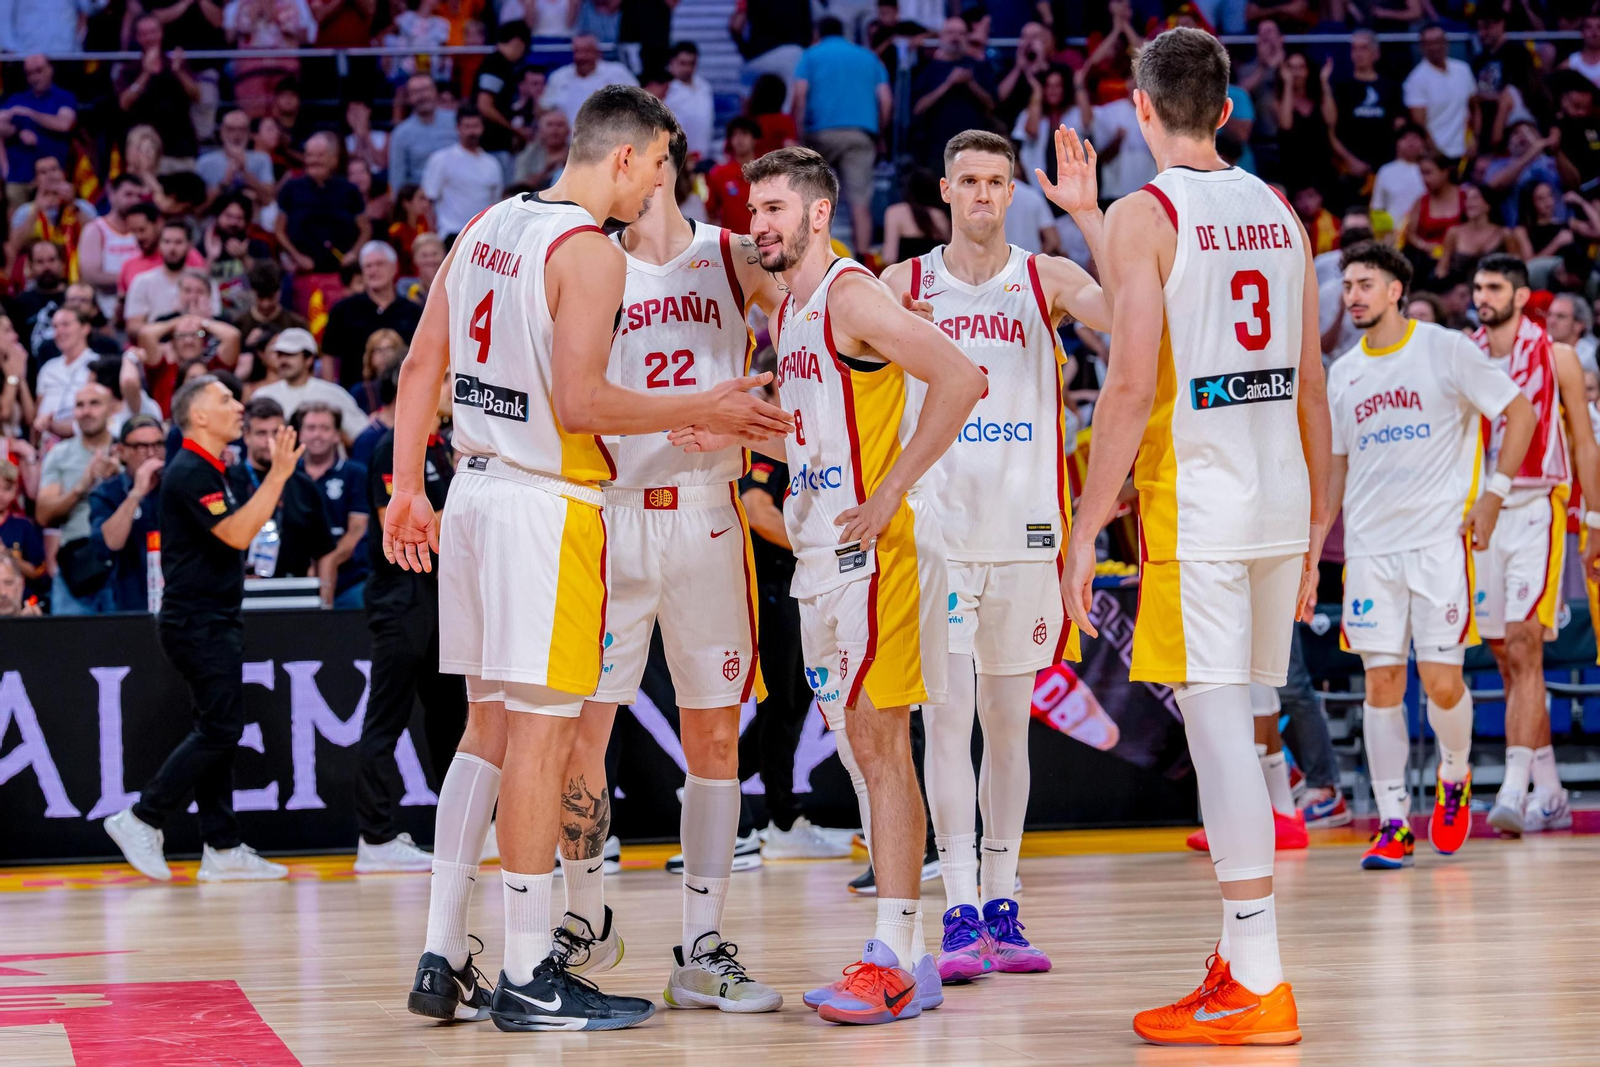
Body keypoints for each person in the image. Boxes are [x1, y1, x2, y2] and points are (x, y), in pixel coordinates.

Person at [385, 84, 789, 1032]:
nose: (655, 182)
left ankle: (443, 952)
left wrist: (407, 487)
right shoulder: (588, 253)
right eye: (652, 164)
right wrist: (707, 410)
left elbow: (417, 368)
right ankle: (531, 969)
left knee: (485, 731)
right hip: (544, 503)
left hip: (470, 490)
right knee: (538, 738)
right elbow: (581, 403)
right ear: (624, 158)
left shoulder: (484, 224)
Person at [1057, 28, 1328, 1046]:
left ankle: (1259, 974)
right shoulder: (1278, 212)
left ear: (1138, 109)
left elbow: (1127, 381)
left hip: (1198, 504)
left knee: (1217, 734)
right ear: (1225, 109)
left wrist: (1086, 527)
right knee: (1239, 722)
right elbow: (1307, 381)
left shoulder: (1146, 213)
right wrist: (1311, 530)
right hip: (1273, 499)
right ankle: (1237, 959)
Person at [674, 145, 984, 1025]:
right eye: (752, 207)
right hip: (819, 558)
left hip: (872, 557)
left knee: (883, 749)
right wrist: (737, 440)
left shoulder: (851, 292)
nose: (758, 223)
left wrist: (893, 489)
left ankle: (889, 953)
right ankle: (913, 957)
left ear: (818, 213)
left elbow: (962, 377)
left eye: (775, 208)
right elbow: (819, 443)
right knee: (863, 752)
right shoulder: (796, 309)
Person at [537, 128, 789, 1014]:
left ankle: (703, 942)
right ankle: (586, 920)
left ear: (662, 163)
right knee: (579, 737)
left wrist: (754, 413)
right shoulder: (588, 264)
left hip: (708, 521)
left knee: (714, 736)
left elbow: (816, 348)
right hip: (610, 520)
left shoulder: (733, 255)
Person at [877, 125, 1106, 984]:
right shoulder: (900, 285)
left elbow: (1134, 319)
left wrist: (1088, 216)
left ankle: (1005, 901)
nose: (981, 194)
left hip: (1027, 536)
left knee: (1009, 727)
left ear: (1013, 192)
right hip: (937, 537)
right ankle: (960, 903)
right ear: (944, 190)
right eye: (967, 179)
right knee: (946, 719)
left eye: (995, 181)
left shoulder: (1046, 279)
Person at [1328, 241, 1536, 874]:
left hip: (1438, 544)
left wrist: (1495, 496)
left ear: (1395, 290)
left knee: (1442, 682)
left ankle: (1454, 773)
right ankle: (1393, 821)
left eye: (1366, 284)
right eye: (1348, 286)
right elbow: (1336, 467)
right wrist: (1316, 548)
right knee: (1381, 682)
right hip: (1369, 550)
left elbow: (1519, 411)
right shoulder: (1343, 372)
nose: (1353, 295)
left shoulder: (1446, 349)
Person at [103, 376, 301, 882]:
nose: (239, 406)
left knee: (217, 728)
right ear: (199, 417)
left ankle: (222, 846)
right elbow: (236, 534)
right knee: (220, 729)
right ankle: (142, 817)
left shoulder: (216, 468)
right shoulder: (190, 469)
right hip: (197, 621)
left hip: (211, 618)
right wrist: (278, 476)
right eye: (227, 400)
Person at [1468, 255, 1600, 837]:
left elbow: (1586, 444)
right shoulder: (1464, 354)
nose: (1482, 296)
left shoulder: (1558, 356)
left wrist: (1593, 517)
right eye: (1476, 287)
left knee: (1525, 646)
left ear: (1522, 296)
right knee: (1505, 656)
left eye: (1494, 287)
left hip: (1537, 509)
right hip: (1482, 516)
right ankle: (1550, 790)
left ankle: (1512, 789)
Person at [355, 362, 465, 873]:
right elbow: (399, 530)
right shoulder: (392, 449)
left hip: (439, 598)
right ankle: (375, 839)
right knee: (387, 720)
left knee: (450, 720)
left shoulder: (442, 447)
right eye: (447, 380)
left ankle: (461, 831)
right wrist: (473, 495)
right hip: (400, 599)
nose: (454, 388)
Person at [790, 17, 892, 257]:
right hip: (860, 134)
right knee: (860, 203)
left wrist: (798, 134)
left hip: (819, 135)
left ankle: (808, 255)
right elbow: (886, 101)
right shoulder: (868, 57)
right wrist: (879, 134)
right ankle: (863, 259)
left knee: (811, 198)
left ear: (818, 33)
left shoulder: (810, 56)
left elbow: (800, 95)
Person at [226, 396, 335, 580]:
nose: (270, 441)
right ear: (246, 436)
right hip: (239, 592)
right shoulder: (228, 481)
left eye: (276, 432)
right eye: (261, 433)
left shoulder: (304, 485)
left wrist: (325, 601)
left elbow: (324, 550)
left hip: (294, 591)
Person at [36, 383, 119, 614]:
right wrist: (81, 487)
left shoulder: (127, 449)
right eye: (80, 405)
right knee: (70, 647)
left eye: (94, 403)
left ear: (111, 408)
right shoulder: (59, 454)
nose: (86, 411)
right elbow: (43, 514)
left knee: (128, 644)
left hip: (124, 564)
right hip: (77, 564)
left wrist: (120, 480)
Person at [276, 131, 369, 313]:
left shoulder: (349, 190)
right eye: (309, 155)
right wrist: (297, 256)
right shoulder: (291, 189)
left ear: (334, 159)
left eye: (320, 155)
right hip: (305, 275)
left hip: (341, 277)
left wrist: (353, 253)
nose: (313, 161)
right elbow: (279, 230)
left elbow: (365, 229)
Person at [87, 414, 166, 613]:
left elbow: (217, 513)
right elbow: (109, 543)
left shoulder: (180, 485)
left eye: (157, 445)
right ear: (121, 451)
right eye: (140, 446)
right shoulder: (107, 492)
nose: (150, 454)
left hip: (178, 598)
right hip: (128, 601)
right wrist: (136, 494)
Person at [293, 401, 369, 608]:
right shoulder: (288, 474)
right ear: (300, 434)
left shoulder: (356, 474)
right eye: (311, 428)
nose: (317, 435)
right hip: (297, 576)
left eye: (325, 428)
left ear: (337, 435)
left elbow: (356, 530)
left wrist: (328, 563)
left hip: (349, 578)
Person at [322, 243, 423, 390]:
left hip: (405, 393)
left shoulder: (413, 311)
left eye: (380, 264)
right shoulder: (343, 309)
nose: (373, 270)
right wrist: (330, 394)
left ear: (394, 268)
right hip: (353, 396)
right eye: (368, 266)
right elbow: (328, 355)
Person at [254, 328, 370, 435]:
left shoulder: (332, 394)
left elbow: (361, 433)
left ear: (308, 359)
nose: (283, 361)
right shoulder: (263, 395)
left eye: (290, 355)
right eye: (280, 355)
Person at [0, 55, 78, 211]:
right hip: (19, 175)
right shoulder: (17, 98)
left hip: (53, 175)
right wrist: (17, 132)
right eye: (29, 73)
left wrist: (30, 113)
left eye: (39, 71)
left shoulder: (63, 97)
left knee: (54, 220)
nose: (35, 77)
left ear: (50, 70)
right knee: (19, 221)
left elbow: (64, 124)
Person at [422, 106, 505, 241]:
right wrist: (433, 235)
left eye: (476, 126)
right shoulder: (441, 159)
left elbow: (496, 203)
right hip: (451, 233)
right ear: (458, 128)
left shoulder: (492, 164)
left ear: (482, 128)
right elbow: (428, 201)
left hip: (482, 236)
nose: (472, 131)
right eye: (467, 126)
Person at [127, 222, 219, 336]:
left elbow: (217, 320)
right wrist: (172, 324)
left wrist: (200, 321)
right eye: (167, 242)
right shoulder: (142, 281)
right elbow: (133, 327)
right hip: (157, 346)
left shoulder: (204, 281)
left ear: (189, 245)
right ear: (159, 245)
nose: (172, 248)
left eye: (178, 242)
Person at [77, 176, 148, 320]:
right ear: (112, 194)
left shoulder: (146, 231)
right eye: (128, 194)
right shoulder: (96, 229)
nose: (134, 200)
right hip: (106, 312)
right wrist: (134, 279)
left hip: (142, 313)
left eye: (139, 196)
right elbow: (91, 275)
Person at [1404, 22, 1476, 164]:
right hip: (1437, 156)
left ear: (1446, 43)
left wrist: (1474, 138)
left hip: (1466, 152)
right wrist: (1437, 155)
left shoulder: (1463, 70)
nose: (1435, 47)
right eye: (1429, 43)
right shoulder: (1415, 80)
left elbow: (1473, 108)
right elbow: (1419, 124)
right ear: (1421, 47)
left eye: (1438, 41)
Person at [1434, 183, 1530, 285]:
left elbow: (1516, 268)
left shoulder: (1504, 234)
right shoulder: (1454, 233)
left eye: (1475, 198)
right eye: (1467, 199)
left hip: (1495, 291)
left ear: (1488, 205)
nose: (1470, 203)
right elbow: (1442, 269)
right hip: (1460, 292)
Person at [542, 32, 638, 128]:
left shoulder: (618, 73)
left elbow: (639, 105)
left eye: (586, 51)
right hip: (567, 140)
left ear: (598, 53)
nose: (581, 57)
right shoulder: (558, 77)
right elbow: (545, 109)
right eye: (577, 51)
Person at [473, 19, 532, 168]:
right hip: (492, 145)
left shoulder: (499, 65)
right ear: (518, 42)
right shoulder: (495, 65)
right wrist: (515, 130)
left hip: (496, 145)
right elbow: (484, 105)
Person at [32, 306, 97, 439]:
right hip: (47, 444)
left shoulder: (98, 365)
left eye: (66, 325)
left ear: (85, 328)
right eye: (55, 327)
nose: (59, 331)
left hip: (82, 440)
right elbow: (37, 413)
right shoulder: (48, 368)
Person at [390, 75, 460, 189]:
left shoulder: (456, 121)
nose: (422, 96)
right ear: (408, 97)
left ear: (435, 92)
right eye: (416, 92)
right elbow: (397, 178)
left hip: (459, 190)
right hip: (422, 197)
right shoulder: (401, 133)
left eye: (425, 89)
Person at [196, 109, 277, 206]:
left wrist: (245, 173)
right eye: (231, 129)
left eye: (242, 129)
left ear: (248, 133)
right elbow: (198, 209)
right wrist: (225, 183)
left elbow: (268, 201)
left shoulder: (262, 159)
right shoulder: (205, 162)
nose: (237, 135)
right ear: (222, 132)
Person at [880, 168, 950, 264]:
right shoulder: (939, 216)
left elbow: (889, 257)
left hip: (905, 276)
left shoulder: (895, 213)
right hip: (934, 276)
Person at [1371, 123, 1429, 234]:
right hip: (1393, 234)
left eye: (1415, 138)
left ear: (1424, 143)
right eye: (1405, 138)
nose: (1411, 143)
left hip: (1424, 232)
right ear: (1397, 143)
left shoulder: (1430, 170)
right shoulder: (1385, 171)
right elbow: (1377, 207)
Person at [705, 116, 758, 233]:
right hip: (732, 243)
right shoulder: (719, 173)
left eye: (744, 134)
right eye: (734, 135)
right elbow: (709, 210)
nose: (739, 139)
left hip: (762, 240)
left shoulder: (766, 173)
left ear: (755, 139)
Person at [664, 42, 714, 163]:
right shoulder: (665, 89)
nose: (687, 69)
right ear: (672, 61)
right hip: (676, 158)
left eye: (691, 64)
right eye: (682, 63)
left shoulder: (704, 87)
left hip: (703, 155)